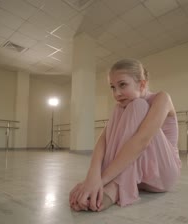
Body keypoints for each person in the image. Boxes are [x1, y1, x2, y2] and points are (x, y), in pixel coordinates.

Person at [69, 58, 181, 212]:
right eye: (112, 87)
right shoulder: (121, 106)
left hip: (163, 174)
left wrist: (101, 181)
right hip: (139, 176)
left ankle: (114, 186)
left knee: (139, 105)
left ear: (141, 84)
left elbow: (142, 140)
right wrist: (92, 177)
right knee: (119, 108)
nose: (117, 93)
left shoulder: (162, 98)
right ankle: (112, 183)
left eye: (122, 85)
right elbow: (103, 140)